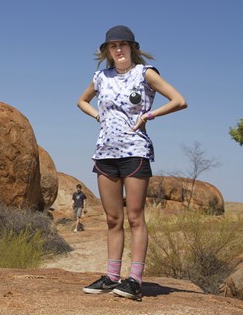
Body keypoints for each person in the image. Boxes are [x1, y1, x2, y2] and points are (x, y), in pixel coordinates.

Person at [77, 25, 187, 300]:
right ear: (107, 51)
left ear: (132, 48)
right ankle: (112, 277)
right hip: (105, 153)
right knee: (113, 218)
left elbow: (179, 100)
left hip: (135, 152)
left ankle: (134, 280)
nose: (118, 49)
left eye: (123, 44)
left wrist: (149, 116)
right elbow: (82, 101)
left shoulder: (145, 73)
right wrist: (98, 117)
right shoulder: (101, 77)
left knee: (135, 217)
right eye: (113, 46)